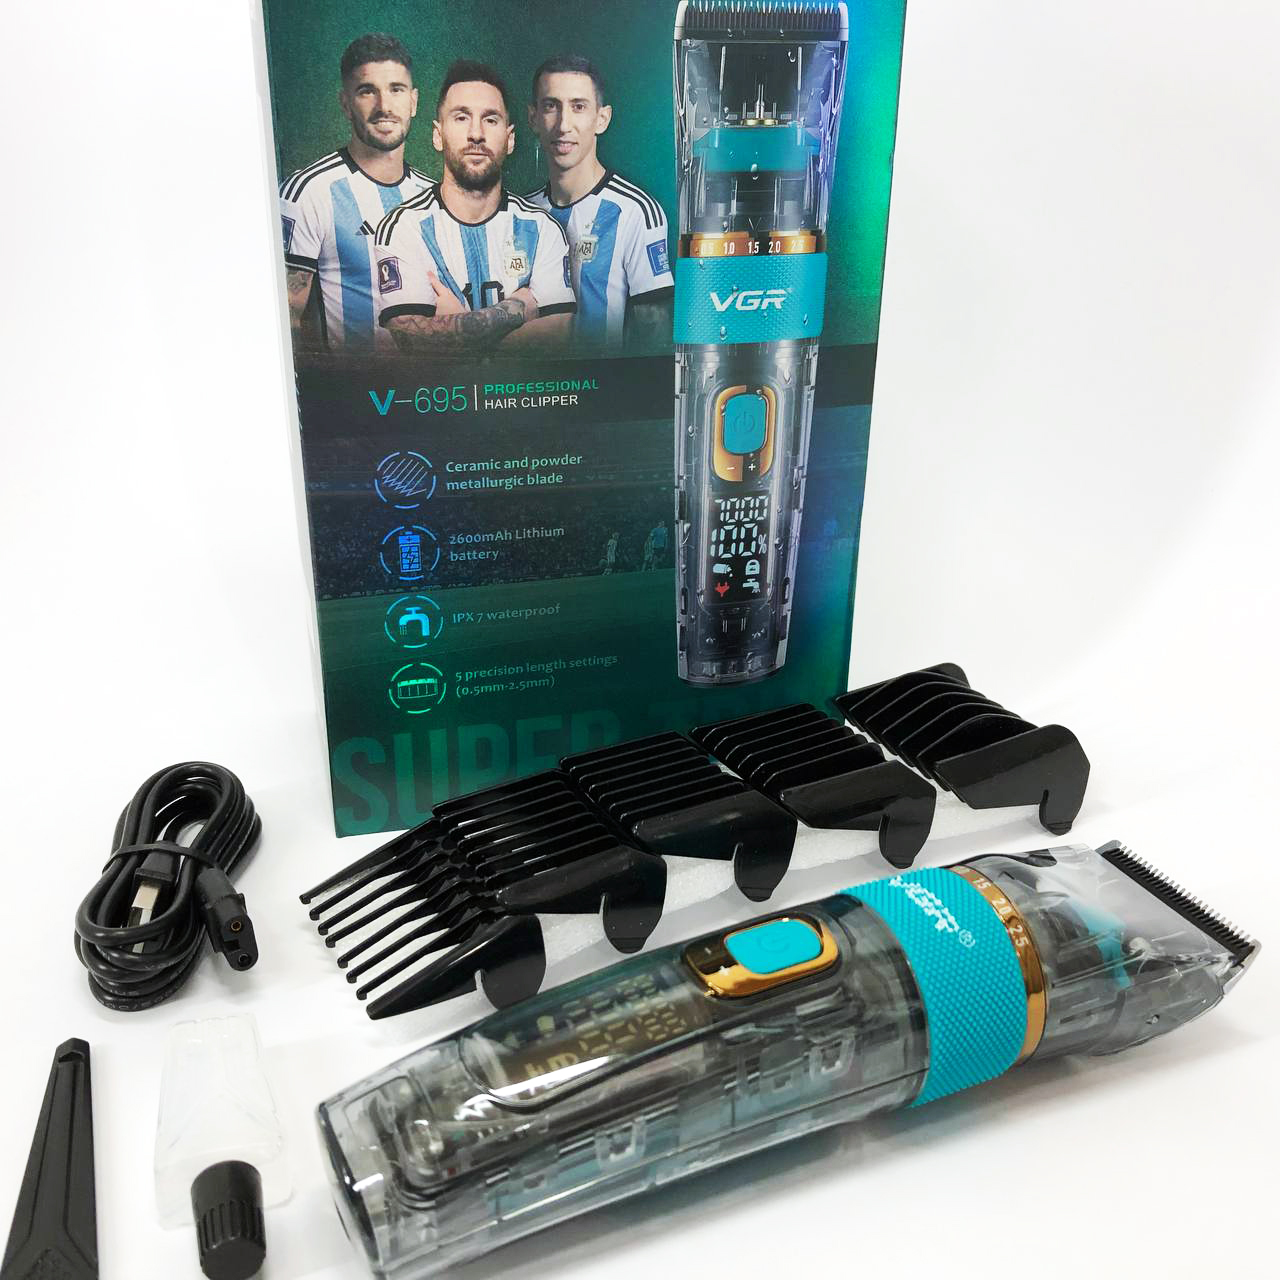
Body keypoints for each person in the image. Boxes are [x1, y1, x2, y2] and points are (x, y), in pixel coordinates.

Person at [374, 61, 575, 353]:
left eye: (490, 120)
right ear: (438, 135)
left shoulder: (543, 229)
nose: (476, 134)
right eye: (461, 117)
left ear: (510, 139)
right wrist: (515, 308)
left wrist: (455, 327)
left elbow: (558, 335)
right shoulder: (403, 228)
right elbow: (411, 340)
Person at [279, 34, 433, 352]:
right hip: (354, 381)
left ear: (414, 101)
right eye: (367, 91)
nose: (384, 106)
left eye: (396, 89)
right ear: (346, 104)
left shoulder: (432, 196)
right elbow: (286, 321)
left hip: (432, 381)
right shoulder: (307, 193)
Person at [525, 55, 673, 350]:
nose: (563, 125)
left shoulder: (635, 211)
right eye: (551, 106)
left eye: (578, 107)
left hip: (601, 378)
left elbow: (655, 338)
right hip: (536, 378)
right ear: (533, 118)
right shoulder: (524, 214)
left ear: (601, 119)